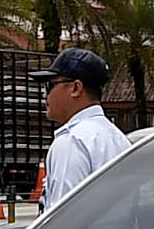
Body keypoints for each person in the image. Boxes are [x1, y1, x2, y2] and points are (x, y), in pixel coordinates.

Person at [37, 48, 130, 208]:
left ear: (76, 88)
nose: (46, 95)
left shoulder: (72, 141)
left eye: (49, 85)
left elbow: (64, 218)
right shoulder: (119, 139)